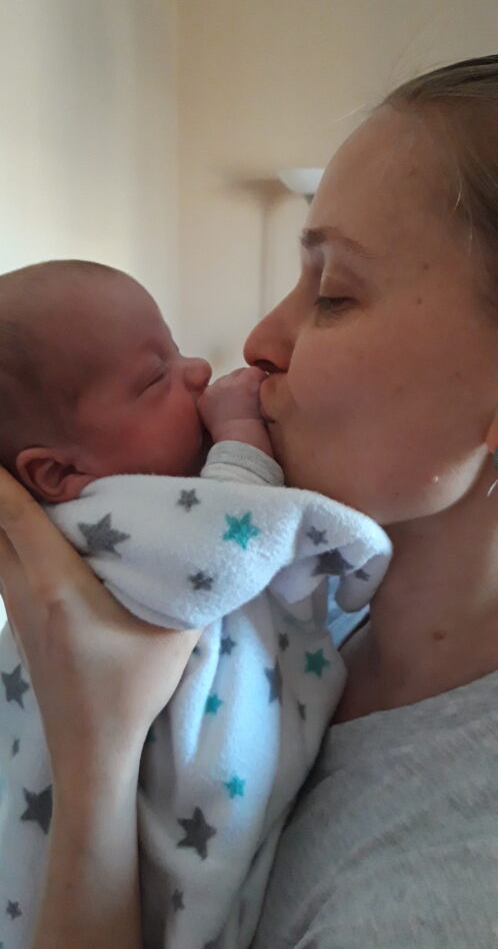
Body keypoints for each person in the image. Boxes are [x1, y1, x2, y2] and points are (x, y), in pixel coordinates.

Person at [0, 54, 496, 949]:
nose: (259, 339)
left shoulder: (450, 888)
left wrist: (95, 766)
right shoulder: (322, 613)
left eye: (334, 294)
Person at [0, 261, 391, 949]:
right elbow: (219, 546)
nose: (199, 372)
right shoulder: (104, 526)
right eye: (156, 378)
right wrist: (240, 442)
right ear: (59, 473)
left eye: (176, 349)